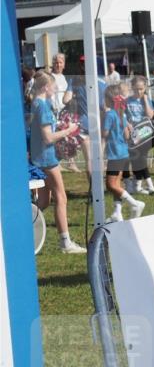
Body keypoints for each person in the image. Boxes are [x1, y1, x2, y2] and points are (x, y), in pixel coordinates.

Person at [28, 73, 86, 253]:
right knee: (61, 197)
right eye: (53, 86)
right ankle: (65, 243)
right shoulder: (43, 106)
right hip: (47, 159)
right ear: (46, 87)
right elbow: (47, 137)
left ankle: (20, 229)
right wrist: (69, 130)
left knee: (44, 201)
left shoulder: (36, 103)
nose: (55, 89)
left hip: (40, 157)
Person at [102, 85, 144, 222]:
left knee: (110, 185)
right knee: (117, 184)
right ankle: (117, 212)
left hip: (115, 155)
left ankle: (134, 203)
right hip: (123, 153)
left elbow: (105, 133)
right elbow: (127, 135)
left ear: (109, 100)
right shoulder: (121, 114)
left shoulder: (109, 114)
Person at [124, 76, 154, 195]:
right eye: (136, 89)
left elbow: (150, 115)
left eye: (141, 89)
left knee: (141, 157)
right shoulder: (127, 101)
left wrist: (145, 99)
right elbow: (123, 115)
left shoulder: (147, 100)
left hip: (144, 132)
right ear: (132, 87)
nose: (139, 92)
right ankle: (141, 184)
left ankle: (144, 184)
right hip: (132, 132)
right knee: (136, 158)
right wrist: (127, 125)